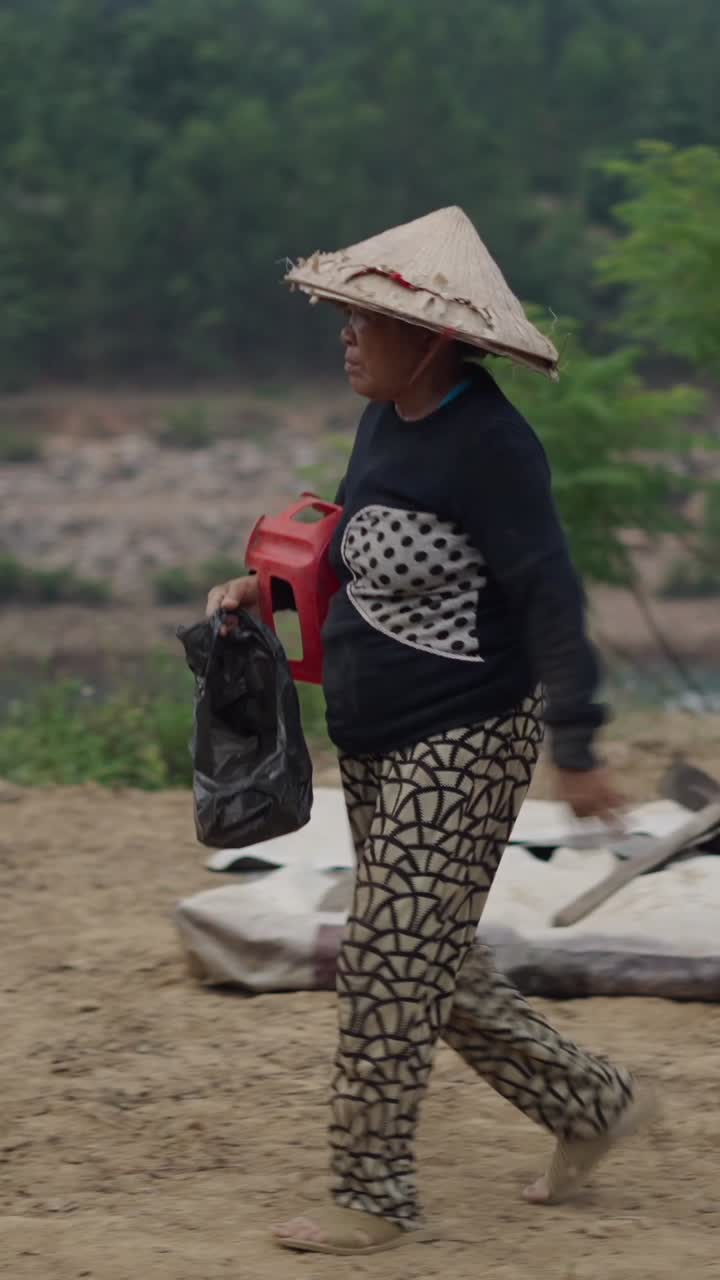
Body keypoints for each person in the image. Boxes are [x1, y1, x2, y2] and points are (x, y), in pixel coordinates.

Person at [206, 207, 656, 1256]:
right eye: (347, 317)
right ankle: (593, 1104)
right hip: (374, 734)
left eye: (367, 319)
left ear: (433, 337)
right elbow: (363, 563)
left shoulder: (493, 445)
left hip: (466, 735)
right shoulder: (386, 421)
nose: (346, 335)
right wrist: (264, 594)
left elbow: (549, 595)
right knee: (429, 958)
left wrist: (578, 744)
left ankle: (372, 1192)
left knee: (384, 958)